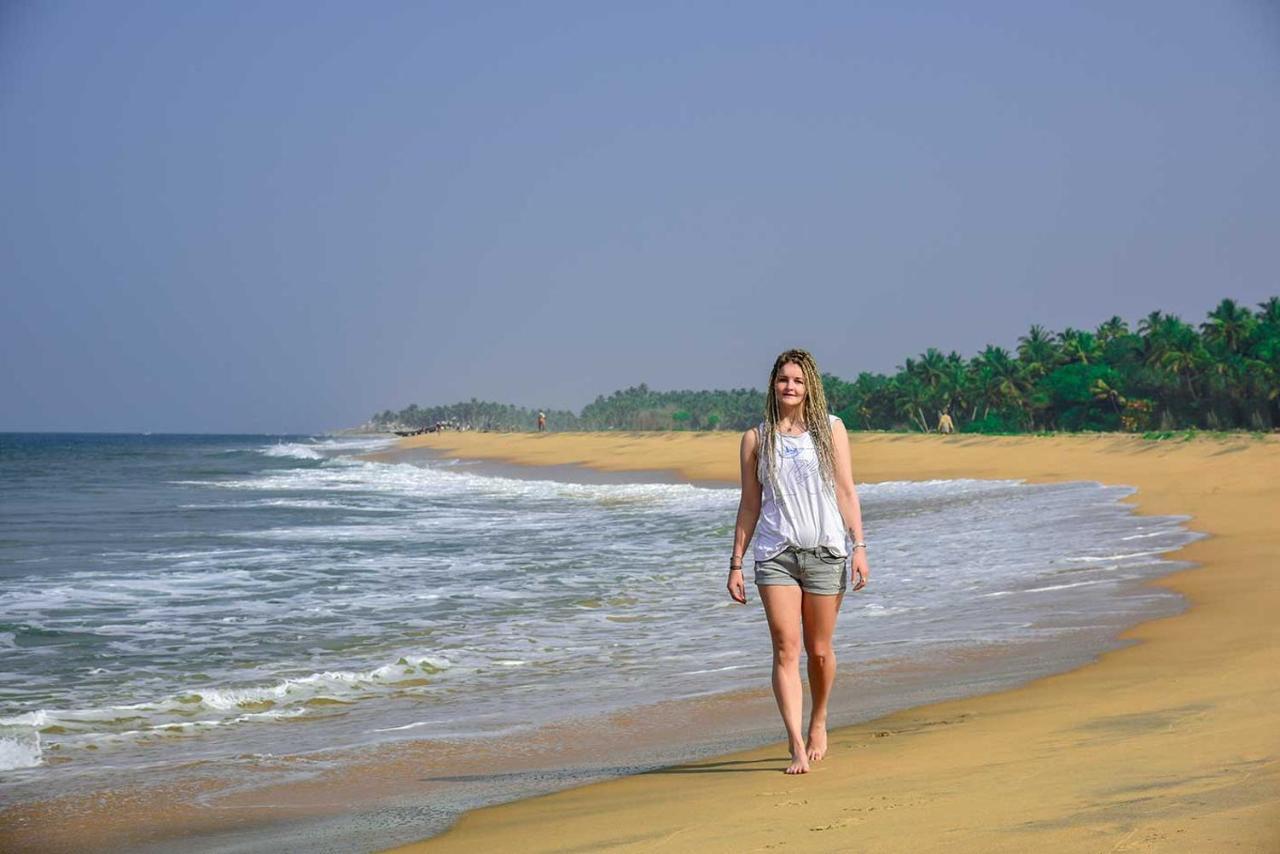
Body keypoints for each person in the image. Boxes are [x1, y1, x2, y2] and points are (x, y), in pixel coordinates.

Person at [726, 348, 869, 774]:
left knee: (820, 651)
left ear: (810, 387)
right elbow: (750, 505)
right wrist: (735, 563)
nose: (790, 387)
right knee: (786, 650)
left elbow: (845, 490)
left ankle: (819, 720)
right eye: (784, 379)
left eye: (798, 380)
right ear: (773, 383)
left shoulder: (831, 430)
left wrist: (859, 546)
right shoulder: (757, 438)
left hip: (826, 552)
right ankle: (795, 744)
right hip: (776, 555)